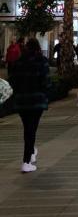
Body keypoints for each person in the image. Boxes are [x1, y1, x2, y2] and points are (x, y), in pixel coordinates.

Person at [9, 38, 49, 173]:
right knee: (31, 130)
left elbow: (12, 81)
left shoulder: (18, 62)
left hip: (22, 101)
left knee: (28, 128)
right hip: (36, 100)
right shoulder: (41, 61)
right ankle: (26, 161)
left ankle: (31, 153)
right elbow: (45, 81)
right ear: (38, 48)